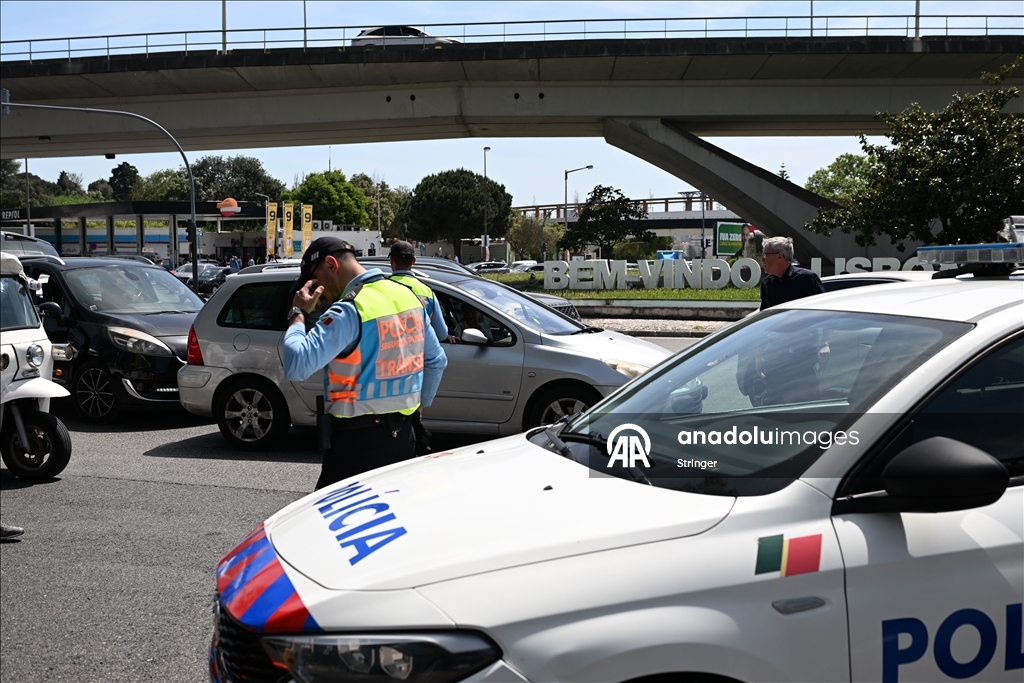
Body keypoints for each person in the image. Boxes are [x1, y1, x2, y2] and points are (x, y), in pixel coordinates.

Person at [282, 236, 448, 490]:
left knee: (327, 522)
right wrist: (417, 405)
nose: (316, 291)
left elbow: (297, 365)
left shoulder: (349, 310)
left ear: (331, 264)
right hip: (404, 437)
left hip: (356, 444)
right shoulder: (408, 297)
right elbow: (436, 361)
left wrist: (298, 313)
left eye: (314, 280)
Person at [759, 236, 824, 311]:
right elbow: (765, 315)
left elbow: (821, 311)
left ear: (780, 256)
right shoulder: (767, 284)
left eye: (765, 255)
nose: (762, 260)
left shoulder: (807, 279)